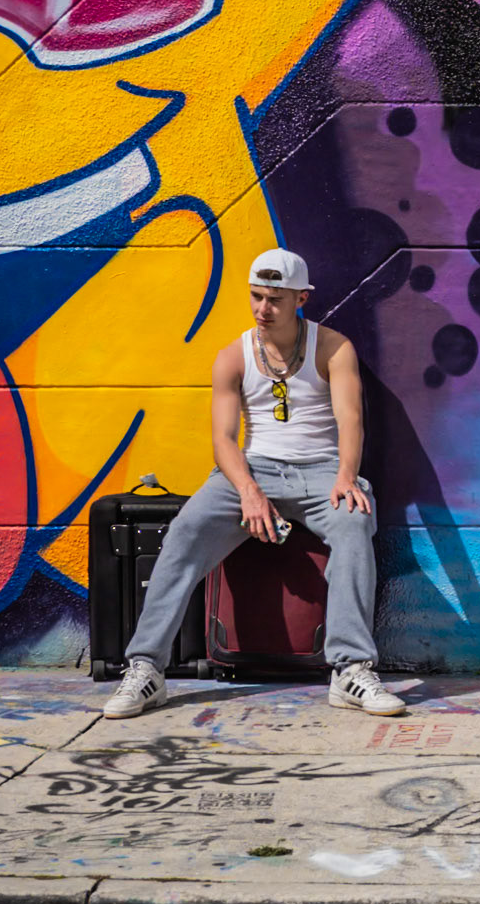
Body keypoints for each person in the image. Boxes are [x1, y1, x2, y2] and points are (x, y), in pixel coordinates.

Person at [101, 249, 407, 718]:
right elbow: (223, 440)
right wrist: (248, 490)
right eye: (256, 297)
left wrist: (348, 476)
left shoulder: (333, 348)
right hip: (252, 468)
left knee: (353, 523)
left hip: (324, 470)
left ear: (301, 298)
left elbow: (351, 421)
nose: (263, 309)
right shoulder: (232, 357)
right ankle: (146, 669)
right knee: (183, 532)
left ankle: (349, 671)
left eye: (275, 300)